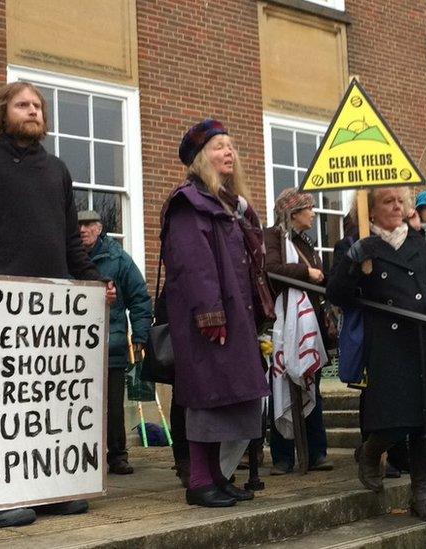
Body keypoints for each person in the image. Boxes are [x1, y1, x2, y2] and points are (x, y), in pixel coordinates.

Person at [0, 82, 116, 528]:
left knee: (47, 399)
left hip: (51, 309)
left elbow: (70, 244)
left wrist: (95, 282)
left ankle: (51, 488)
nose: (33, 111)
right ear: (4, 112)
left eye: (38, 106)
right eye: (23, 104)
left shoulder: (58, 170)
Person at [160, 119, 271, 508]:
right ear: (198, 158)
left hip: (233, 316)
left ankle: (219, 477)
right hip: (208, 320)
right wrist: (210, 315)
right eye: (218, 146)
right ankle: (200, 480)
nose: (229, 152)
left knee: (230, 397)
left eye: (231, 145)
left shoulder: (228, 205)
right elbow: (195, 264)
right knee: (207, 397)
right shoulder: (189, 202)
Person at [327, 186, 426, 520]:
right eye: (388, 201)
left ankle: (423, 494)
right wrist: (353, 261)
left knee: (423, 421)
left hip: (419, 337)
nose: (396, 207)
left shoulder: (416, 243)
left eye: (401, 201)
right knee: (393, 417)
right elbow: (338, 294)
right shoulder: (358, 245)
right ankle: (371, 451)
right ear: (370, 209)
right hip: (385, 341)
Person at [263, 188, 333, 475]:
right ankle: (282, 457)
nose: (314, 213)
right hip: (282, 323)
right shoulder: (272, 237)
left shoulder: (306, 242)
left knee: (310, 384)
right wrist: (307, 273)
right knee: (281, 383)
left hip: (308, 323)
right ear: (293, 213)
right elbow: (271, 269)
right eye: (309, 208)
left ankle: (317, 453)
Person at [78, 210, 152, 476]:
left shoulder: (118, 258)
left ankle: (118, 455)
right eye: (78, 226)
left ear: (99, 228)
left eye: (87, 225)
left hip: (112, 344)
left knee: (112, 405)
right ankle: (83, 454)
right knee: (79, 402)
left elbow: (139, 298)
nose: (82, 230)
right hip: (76, 346)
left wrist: (141, 336)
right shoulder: (69, 255)